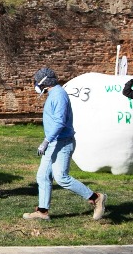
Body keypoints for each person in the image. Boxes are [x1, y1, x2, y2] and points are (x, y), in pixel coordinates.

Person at [23, 68, 107, 221]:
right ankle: (42, 211)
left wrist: (46, 141)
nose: (36, 85)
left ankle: (96, 197)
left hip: (61, 142)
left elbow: (60, 122)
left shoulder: (59, 95)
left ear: (45, 81)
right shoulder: (53, 94)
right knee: (42, 176)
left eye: (37, 81)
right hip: (53, 143)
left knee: (61, 178)